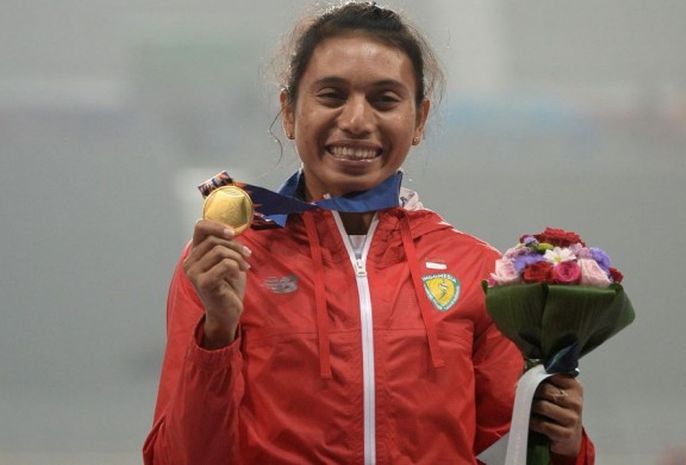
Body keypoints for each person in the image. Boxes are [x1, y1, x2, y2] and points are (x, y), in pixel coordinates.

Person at [143, 2, 595, 464]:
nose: (357, 121)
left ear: (419, 119)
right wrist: (217, 332)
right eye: (332, 95)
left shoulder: (476, 271)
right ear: (289, 111)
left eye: (384, 99)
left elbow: (513, 448)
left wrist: (564, 443)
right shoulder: (225, 266)